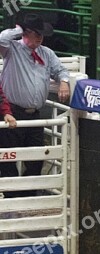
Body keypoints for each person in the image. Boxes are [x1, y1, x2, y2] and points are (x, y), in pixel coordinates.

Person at [0, 13, 70, 191]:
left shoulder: (46, 54)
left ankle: (28, 193)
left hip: (34, 116)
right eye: (36, 33)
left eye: (42, 34)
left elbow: (61, 70)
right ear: (26, 33)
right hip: (12, 112)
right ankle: (12, 196)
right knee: (9, 157)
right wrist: (19, 30)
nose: (40, 37)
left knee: (36, 158)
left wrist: (64, 82)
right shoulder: (12, 49)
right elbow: (2, 38)